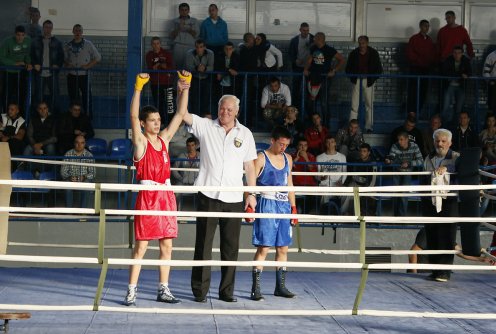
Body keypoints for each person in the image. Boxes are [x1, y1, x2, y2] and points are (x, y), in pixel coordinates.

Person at [124, 71, 191, 306]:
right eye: (152, 120)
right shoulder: (140, 142)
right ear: (144, 123)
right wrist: (138, 88)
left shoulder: (164, 139)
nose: (157, 123)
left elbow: (181, 114)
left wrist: (186, 87)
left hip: (166, 196)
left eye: (159, 119)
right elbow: (133, 115)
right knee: (141, 247)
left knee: (167, 246)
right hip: (148, 197)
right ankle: (131, 290)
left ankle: (163, 289)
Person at [183, 94, 257, 303]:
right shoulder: (206, 126)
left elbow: (250, 166)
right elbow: (184, 114)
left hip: (234, 197)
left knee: (231, 247)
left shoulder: (246, 133)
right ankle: (199, 291)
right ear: (218, 108)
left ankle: (227, 292)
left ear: (237, 112)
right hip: (208, 194)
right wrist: (183, 90)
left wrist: (251, 194)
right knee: (203, 244)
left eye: (229, 110)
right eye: (222, 108)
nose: (225, 112)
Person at [250, 126, 297, 301]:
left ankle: (281, 286)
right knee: (264, 247)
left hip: (284, 205)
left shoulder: (288, 159)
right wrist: (250, 204)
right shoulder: (261, 158)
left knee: (283, 247)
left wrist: (294, 207)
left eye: (286, 144)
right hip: (267, 203)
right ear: (272, 140)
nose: (283, 147)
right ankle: (256, 288)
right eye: (281, 144)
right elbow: (250, 183)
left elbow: (289, 184)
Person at [422, 128, 459, 282]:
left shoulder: (457, 157)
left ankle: (444, 272)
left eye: (444, 141)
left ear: (450, 143)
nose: (440, 144)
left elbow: (463, 171)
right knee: (431, 234)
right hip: (430, 200)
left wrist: (447, 169)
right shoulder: (428, 157)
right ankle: (435, 269)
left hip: (449, 201)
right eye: (437, 141)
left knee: (447, 235)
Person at [408, 228, 495, 274]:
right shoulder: (428, 231)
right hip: (423, 273)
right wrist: (414, 274)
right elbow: (413, 251)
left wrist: (482, 259)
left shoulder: (446, 233)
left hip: (439, 273)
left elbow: (459, 252)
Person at [303, 32, 345, 119]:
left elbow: (341, 60)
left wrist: (334, 70)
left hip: (324, 79)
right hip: (313, 78)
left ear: (319, 39)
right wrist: (305, 69)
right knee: (310, 102)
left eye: (315, 38)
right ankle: (312, 122)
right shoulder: (313, 48)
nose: (313, 39)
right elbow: (309, 60)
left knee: (323, 102)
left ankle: (326, 125)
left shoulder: (329, 49)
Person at [345, 35, 383, 133]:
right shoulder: (354, 53)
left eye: (363, 43)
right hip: (356, 80)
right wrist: (353, 77)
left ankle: (369, 127)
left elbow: (379, 70)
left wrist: (372, 78)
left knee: (369, 105)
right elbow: (347, 69)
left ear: (367, 43)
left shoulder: (373, 53)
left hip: (368, 81)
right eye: (359, 43)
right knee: (354, 105)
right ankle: (352, 128)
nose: (361, 45)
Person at [64, 24, 101, 118]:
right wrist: (68, 64)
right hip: (72, 75)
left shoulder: (88, 44)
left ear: (82, 32)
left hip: (84, 76)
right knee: (73, 98)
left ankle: (88, 119)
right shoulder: (68, 45)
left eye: (79, 31)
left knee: (87, 98)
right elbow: (64, 59)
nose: (77, 32)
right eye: (75, 30)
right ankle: (73, 118)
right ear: (72, 32)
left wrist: (88, 66)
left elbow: (98, 57)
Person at [385, 132, 423, 216]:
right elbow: (391, 157)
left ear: (407, 140)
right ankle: (395, 217)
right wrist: (389, 161)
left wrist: (409, 163)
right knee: (395, 194)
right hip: (396, 172)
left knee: (403, 196)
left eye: (401, 140)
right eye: (398, 139)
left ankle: (402, 218)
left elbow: (421, 161)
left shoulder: (414, 146)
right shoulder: (395, 146)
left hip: (408, 172)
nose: (399, 141)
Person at [30, 19, 64, 113]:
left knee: (55, 97)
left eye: (50, 27)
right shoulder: (35, 41)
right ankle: (37, 118)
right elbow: (31, 55)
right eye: (46, 27)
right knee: (38, 96)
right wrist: (34, 64)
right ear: (43, 28)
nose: (48, 29)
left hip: (52, 73)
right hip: (39, 73)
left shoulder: (57, 42)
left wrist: (57, 65)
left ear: (52, 28)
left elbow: (61, 57)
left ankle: (55, 118)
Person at [406, 19, 437, 115]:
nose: (426, 28)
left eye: (428, 26)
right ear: (420, 27)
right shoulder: (414, 39)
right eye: (424, 26)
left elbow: (432, 54)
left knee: (423, 91)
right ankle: (411, 113)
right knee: (413, 91)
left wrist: (430, 63)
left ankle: (418, 111)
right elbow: (410, 54)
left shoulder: (429, 40)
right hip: (415, 68)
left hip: (425, 69)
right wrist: (419, 60)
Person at [0, 25, 32, 113]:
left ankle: (21, 116)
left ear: (25, 35)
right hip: (9, 72)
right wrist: (14, 63)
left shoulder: (28, 41)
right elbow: (1, 57)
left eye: (22, 35)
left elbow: (28, 54)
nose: (20, 37)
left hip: (22, 72)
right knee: (7, 95)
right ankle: (6, 116)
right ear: (15, 34)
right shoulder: (7, 42)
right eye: (18, 35)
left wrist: (29, 63)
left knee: (22, 95)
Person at [145, 37, 175, 125]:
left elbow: (170, 67)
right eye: (154, 43)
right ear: (151, 45)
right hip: (155, 83)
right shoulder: (149, 55)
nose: (156, 45)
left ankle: (171, 123)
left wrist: (159, 64)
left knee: (170, 104)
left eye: (157, 43)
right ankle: (161, 123)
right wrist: (161, 65)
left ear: (160, 44)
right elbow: (151, 68)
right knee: (158, 104)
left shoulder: (167, 54)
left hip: (167, 83)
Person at [60, 134, 95, 208]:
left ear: (85, 144)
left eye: (82, 143)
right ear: (74, 143)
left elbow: (93, 173)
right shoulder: (68, 154)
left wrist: (84, 177)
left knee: (87, 185)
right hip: (70, 179)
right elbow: (63, 172)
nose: (79, 145)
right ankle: (69, 211)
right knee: (67, 187)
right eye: (77, 142)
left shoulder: (89, 155)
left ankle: (83, 211)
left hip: (84, 179)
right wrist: (69, 177)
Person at [440, 46, 471, 127]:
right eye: (455, 53)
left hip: (461, 87)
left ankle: (455, 127)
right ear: (452, 53)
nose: (457, 55)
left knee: (458, 109)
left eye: (459, 53)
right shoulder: (448, 60)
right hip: (449, 86)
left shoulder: (466, 60)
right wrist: (461, 74)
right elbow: (445, 72)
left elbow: (469, 72)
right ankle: (443, 126)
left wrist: (464, 74)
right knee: (445, 108)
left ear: (462, 53)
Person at [316, 135, 347, 214]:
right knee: (324, 194)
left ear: (335, 143)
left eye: (332, 142)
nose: (330, 144)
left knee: (347, 194)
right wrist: (321, 178)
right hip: (325, 184)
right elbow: (317, 175)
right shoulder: (319, 157)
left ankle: (341, 214)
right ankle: (324, 214)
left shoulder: (342, 157)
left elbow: (345, 172)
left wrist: (341, 182)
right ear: (325, 144)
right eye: (328, 142)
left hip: (337, 183)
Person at [342, 143, 376, 215]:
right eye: (361, 151)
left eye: (364, 151)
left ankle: (355, 214)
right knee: (345, 193)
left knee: (357, 195)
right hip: (354, 183)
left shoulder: (372, 164)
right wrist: (344, 185)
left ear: (368, 152)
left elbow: (368, 181)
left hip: (366, 186)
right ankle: (343, 213)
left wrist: (357, 178)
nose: (362, 153)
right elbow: (350, 176)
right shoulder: (356, 161)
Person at [185, 39, 214, 115]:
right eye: (197, 47)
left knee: (206, 99)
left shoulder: (210, 53)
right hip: (194, 78)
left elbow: (212, 67)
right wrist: (196, 68)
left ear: (204, 47)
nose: (199, 49)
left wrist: (205, 69)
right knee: (194, 99)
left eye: (201, 47)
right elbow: (188, 67)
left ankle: (204, 119)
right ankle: (194, 118)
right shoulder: (189, 53)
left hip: (206, 78)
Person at [288, 22, 314, 107]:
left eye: (307, 30)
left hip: (310, 68)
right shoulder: (295, 40)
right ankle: (295, 108)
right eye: (304, 30)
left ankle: (308, 109)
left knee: (309, 89)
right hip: (297, 67)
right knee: (296, 88)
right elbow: (290, 54)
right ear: (300, 30)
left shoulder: (313, 39)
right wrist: (295, 61)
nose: (306, 32)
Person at [169, 2, 199, 69]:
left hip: (190, 46)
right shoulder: (174, 21)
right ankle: (176, 80)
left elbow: (196, 35)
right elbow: (172, 36)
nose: (184, 12)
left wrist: (188, 29)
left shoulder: (194, 21)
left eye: (186, 10)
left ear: (188, 11)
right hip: (178, 46)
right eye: (182, 10)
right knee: (177, 67)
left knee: (190, 67)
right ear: (179, 11)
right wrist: (179, 28)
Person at [483, 49, 496, 113]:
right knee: (492, 106)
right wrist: (490, 82)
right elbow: (485, 72)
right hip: (493, 84)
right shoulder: (491, 56)